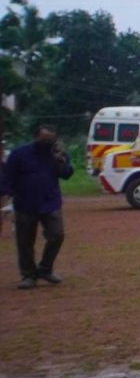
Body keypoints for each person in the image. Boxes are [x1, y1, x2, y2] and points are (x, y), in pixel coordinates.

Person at [0, 123, 74, 288]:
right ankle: (28, 275)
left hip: (50, 202)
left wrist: (60, 160)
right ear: (36, 137)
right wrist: (6, 200)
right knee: (25, 242)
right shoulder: (19, 154)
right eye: (44, 139)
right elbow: (7, 178)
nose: (47, 143)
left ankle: (45, 269)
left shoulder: (57, 154)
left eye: (50, 140)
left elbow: (67, 174)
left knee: (57, 235)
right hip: (24, 203)